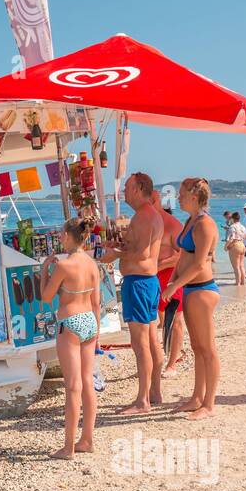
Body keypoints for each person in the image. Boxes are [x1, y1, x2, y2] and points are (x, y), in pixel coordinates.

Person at [97, 173, 165, 413]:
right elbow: (138, 249)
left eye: (127, 187)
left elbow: (143, 254)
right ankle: (154, 392)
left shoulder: (145, 216)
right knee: (150, 340)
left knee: (140, 344)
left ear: (138, 188)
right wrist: (119, 247)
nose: (124, 192)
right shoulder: (147, 216)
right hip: (147, 281)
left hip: (139, 283)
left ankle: (142, 401)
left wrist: (115, 255)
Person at [38, 219, 102, 459]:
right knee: (87, 382)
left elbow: (46, 297)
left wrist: (44, 270)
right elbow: (96, 303)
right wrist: (96, 335)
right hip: (89, 322)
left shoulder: (64, 266)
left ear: (67, 235)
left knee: (73, 386)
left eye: (61, 236)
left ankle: (68, 447)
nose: (60, 239)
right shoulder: (92, 264)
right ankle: (87, 439)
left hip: (70, 323)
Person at [160, 178, 221, 420]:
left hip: (203, 289)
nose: (178, 198)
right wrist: (172, 282)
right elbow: (182, 255)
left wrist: (175, 284)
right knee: (197, 347)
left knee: (208, 348)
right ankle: (197, 397)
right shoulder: (191, 220)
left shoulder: (205, 224)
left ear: (194, 197)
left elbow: (198, 263)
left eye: (182, 194)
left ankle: (209, 404)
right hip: (190, 289)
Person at [152, 191, 186, 376]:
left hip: (171, 278)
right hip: (153, 279)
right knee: (163, 321)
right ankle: (167, 355)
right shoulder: (150, 226)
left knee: (176, 320)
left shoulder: (174, 227)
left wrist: (158, 265)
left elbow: (182, 255)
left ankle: (172, 364)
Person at [224, 211, 246, 285]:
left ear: (233, 219)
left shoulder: (232, 226)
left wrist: (226, 246)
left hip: (235, 246)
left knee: (236, 267)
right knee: (241, 265)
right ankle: (243, 282)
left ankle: (238, 283)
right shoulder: (243, 227)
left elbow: (231, 238)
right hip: (242, 245)